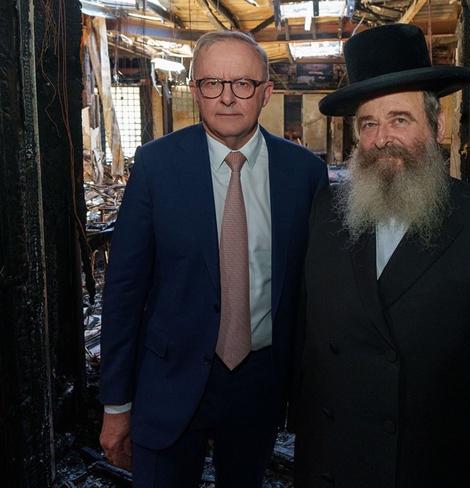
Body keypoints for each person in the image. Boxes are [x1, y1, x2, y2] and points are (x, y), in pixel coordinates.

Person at [292, 23, 470, 488]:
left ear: (438, 125)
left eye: (400, 119)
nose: (383, 137)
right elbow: (307, 351)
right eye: (369, 123)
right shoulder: (326, 212)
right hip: (334, 466)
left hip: (433, 470)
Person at [99, 30, 327, 488]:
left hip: (259, 383)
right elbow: (124, 291)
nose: (226, 97)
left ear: (265, 93)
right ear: (194, 89)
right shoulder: (156, 167)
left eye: (242, 83)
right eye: (211, 83)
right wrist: (116, 405)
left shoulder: (303, 174)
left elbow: (312, 290)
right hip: (169, 378)